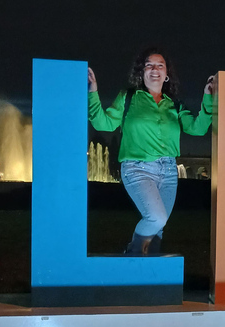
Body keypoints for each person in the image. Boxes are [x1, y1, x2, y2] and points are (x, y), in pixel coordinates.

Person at [87, 47, 213, 255]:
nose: (154, 69)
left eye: (160, 65)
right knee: (156, 218)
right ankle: (133, 254)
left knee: (158, 230)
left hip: (170, 172)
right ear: (142, 72)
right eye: (149, 65)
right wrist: (93, 92)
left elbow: (197, 129)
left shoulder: (174, 104)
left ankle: (148, 277)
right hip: (138, 169)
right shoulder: (128, 98)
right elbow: (104, 124)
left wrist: (208, 97)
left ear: (166, 75)